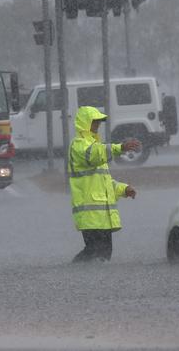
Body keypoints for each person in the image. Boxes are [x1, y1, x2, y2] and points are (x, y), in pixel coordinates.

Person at [68, 106, 141, 263]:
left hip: (102, 217)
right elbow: (93, 155)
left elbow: (105, 184)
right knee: (95, 252)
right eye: (95, 122)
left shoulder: (96, 147)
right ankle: (75, 273)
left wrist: (124, 189)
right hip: (90, 217)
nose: (97, 126)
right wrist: (119, 148)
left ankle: (89, 280)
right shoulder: (79, 145)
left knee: (103, 255)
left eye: (99, 123)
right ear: (85, 124)